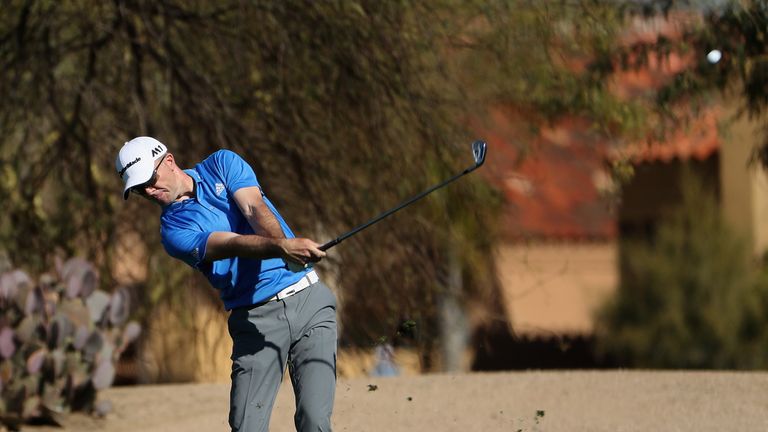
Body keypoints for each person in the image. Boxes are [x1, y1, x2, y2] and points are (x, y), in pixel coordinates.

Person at [115, 136, 337, 432]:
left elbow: (253, 208)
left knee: (314, 420)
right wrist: (282, 248)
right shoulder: (173, 232)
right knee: (247, 427)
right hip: (255, 319)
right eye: (140, 189)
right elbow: (230, 244)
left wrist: (284, 245)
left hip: (311, 302)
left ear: (168, 161)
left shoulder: (221, 163)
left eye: (150, 180)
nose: (150, 191)